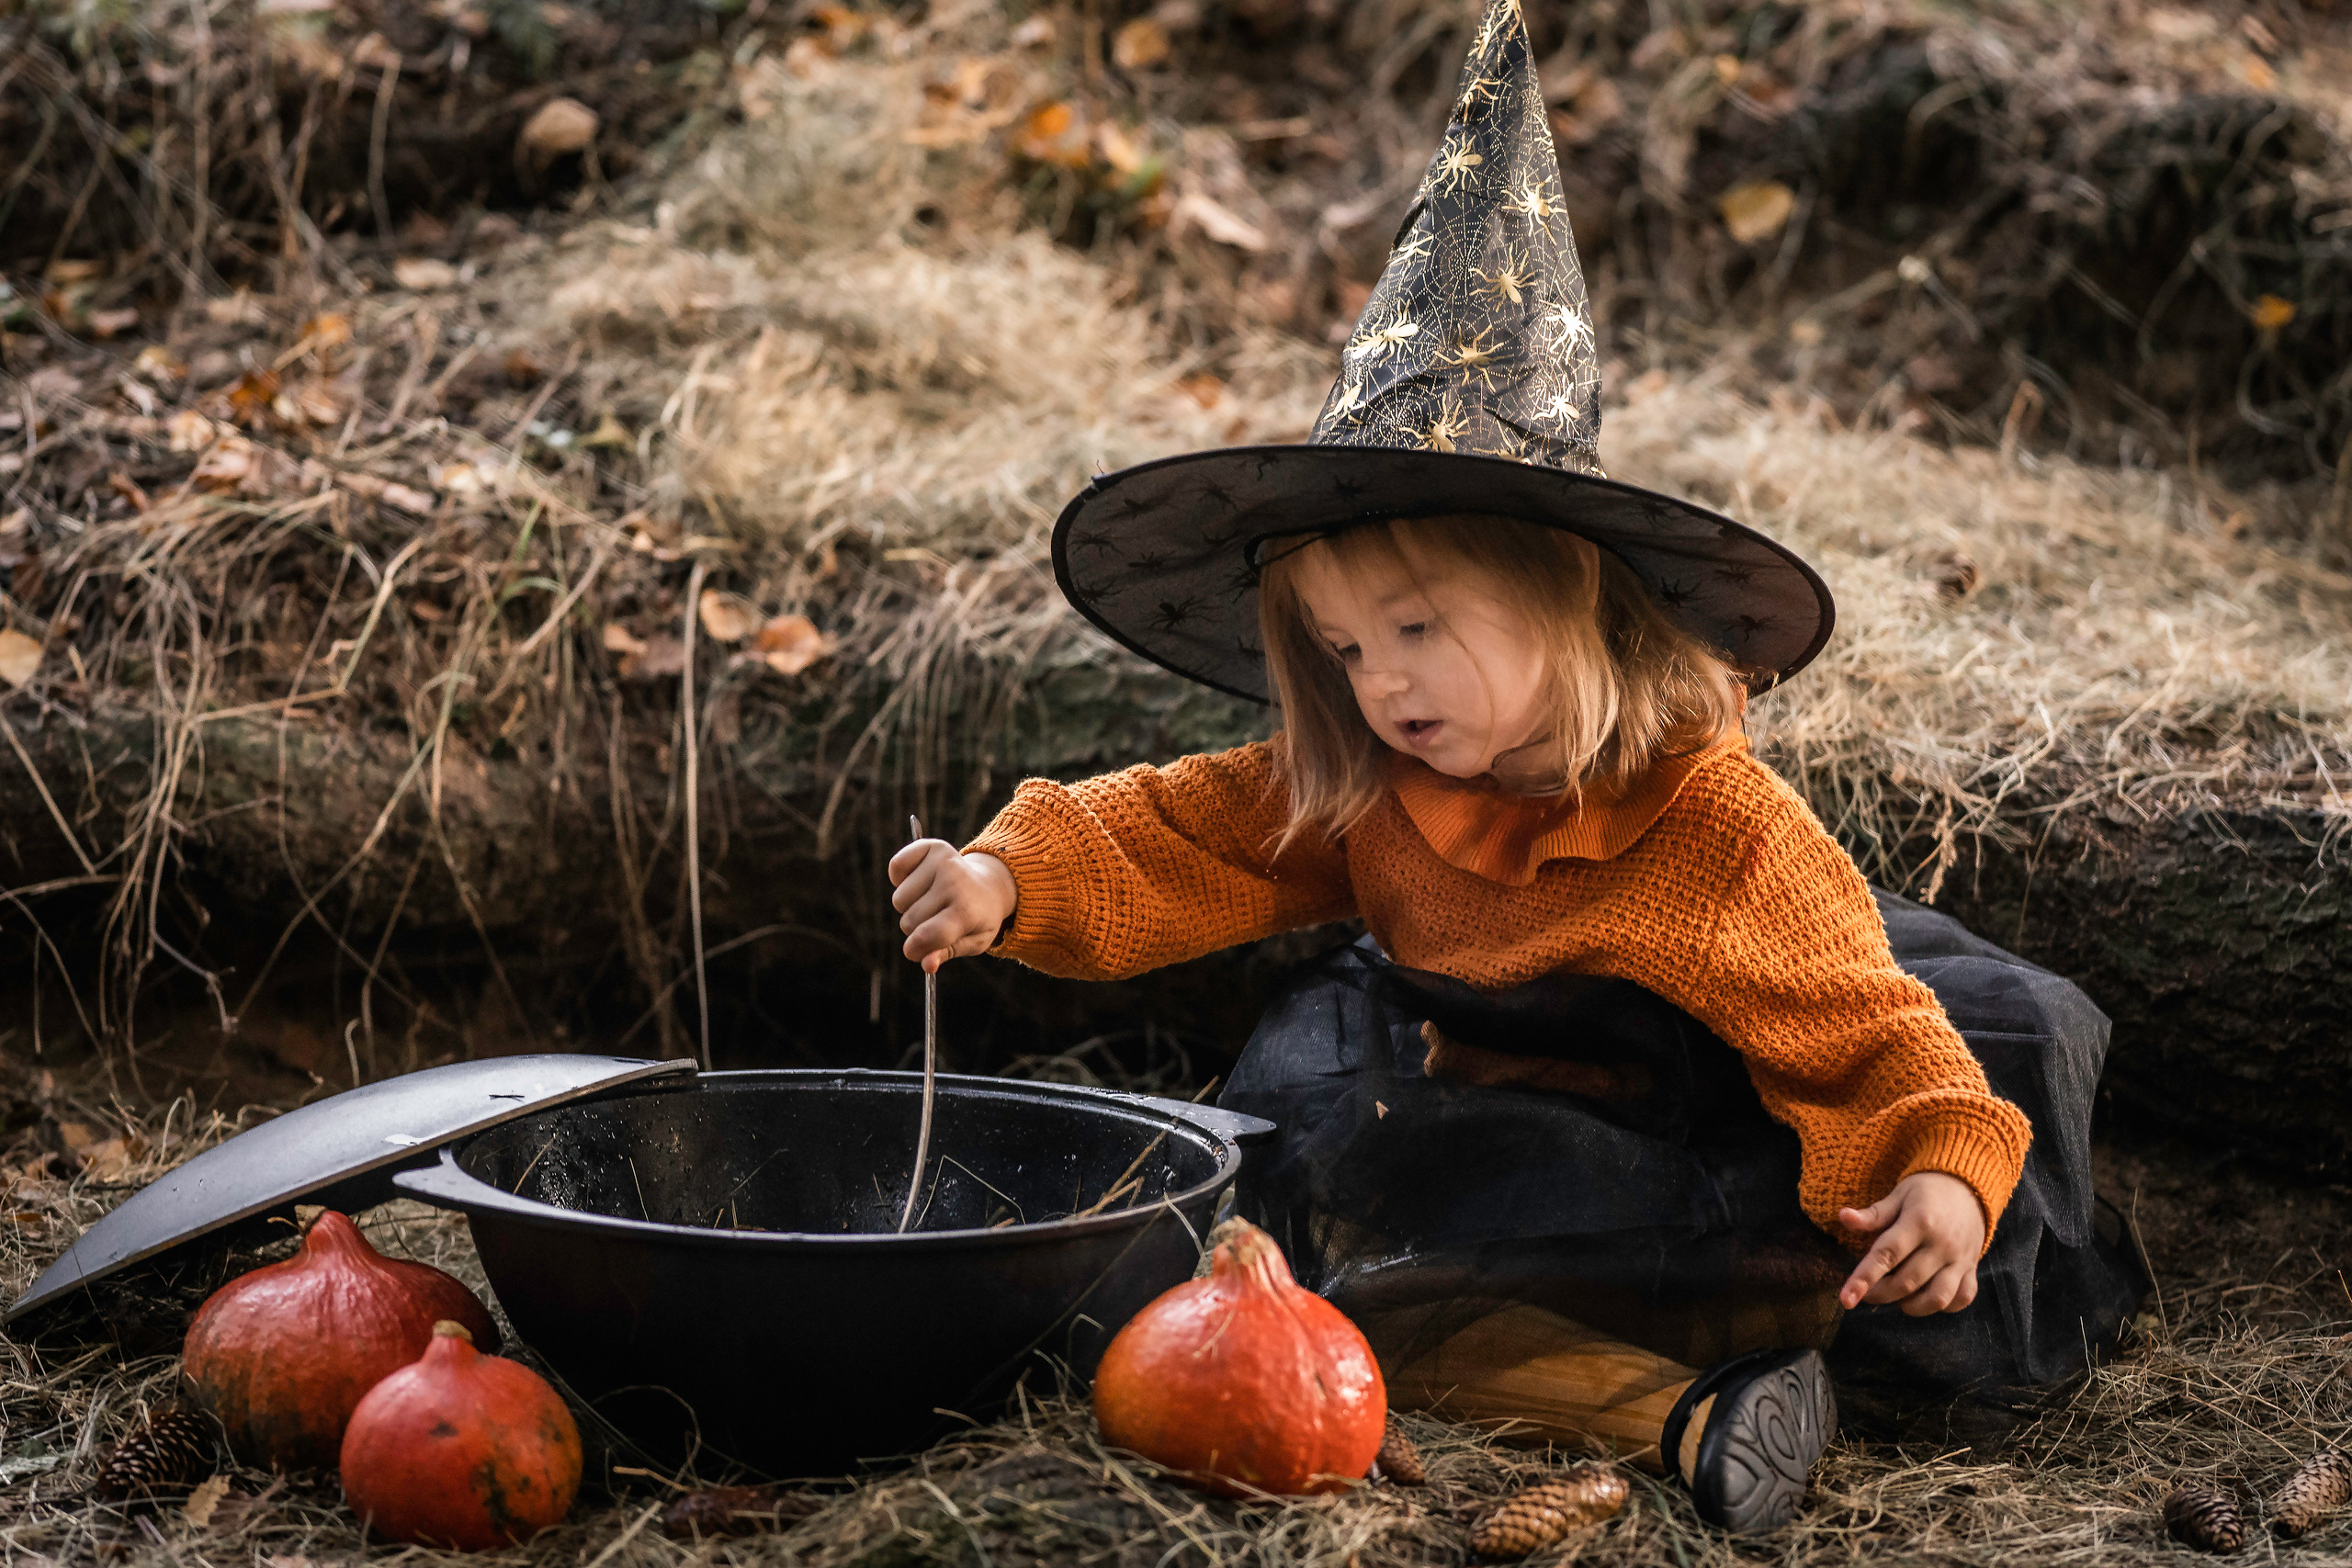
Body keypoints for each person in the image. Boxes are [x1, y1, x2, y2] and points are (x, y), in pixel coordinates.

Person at [889, 0, 2143, 1534]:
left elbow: (1863, 1033)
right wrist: (1007, 876)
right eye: (1347, 648)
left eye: (1417, 629)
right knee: (1322, 1199)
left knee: (1731, 1246)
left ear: (1571, 598)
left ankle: (1716, 1374)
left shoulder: (1720, 831)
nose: (1381, 684)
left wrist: (1940, 1168)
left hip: (1691, 1128)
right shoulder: (1380, 777)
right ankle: (1667, 1401)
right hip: (1468, 1086)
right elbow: (1192, 829)